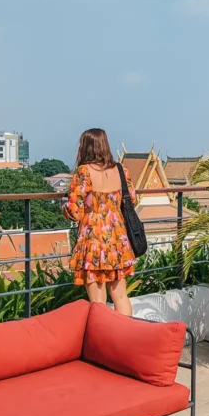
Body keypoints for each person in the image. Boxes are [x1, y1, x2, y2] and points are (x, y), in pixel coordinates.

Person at [63, 128, 137, 315]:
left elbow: (74, 211)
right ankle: (126, 336)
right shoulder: (121, 170)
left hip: (93, 238)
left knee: (98, 302)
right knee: (120, 296)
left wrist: (64, 208)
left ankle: (104, 341)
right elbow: (132, 200)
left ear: (85, 147)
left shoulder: (84, 172)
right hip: (118, 238)